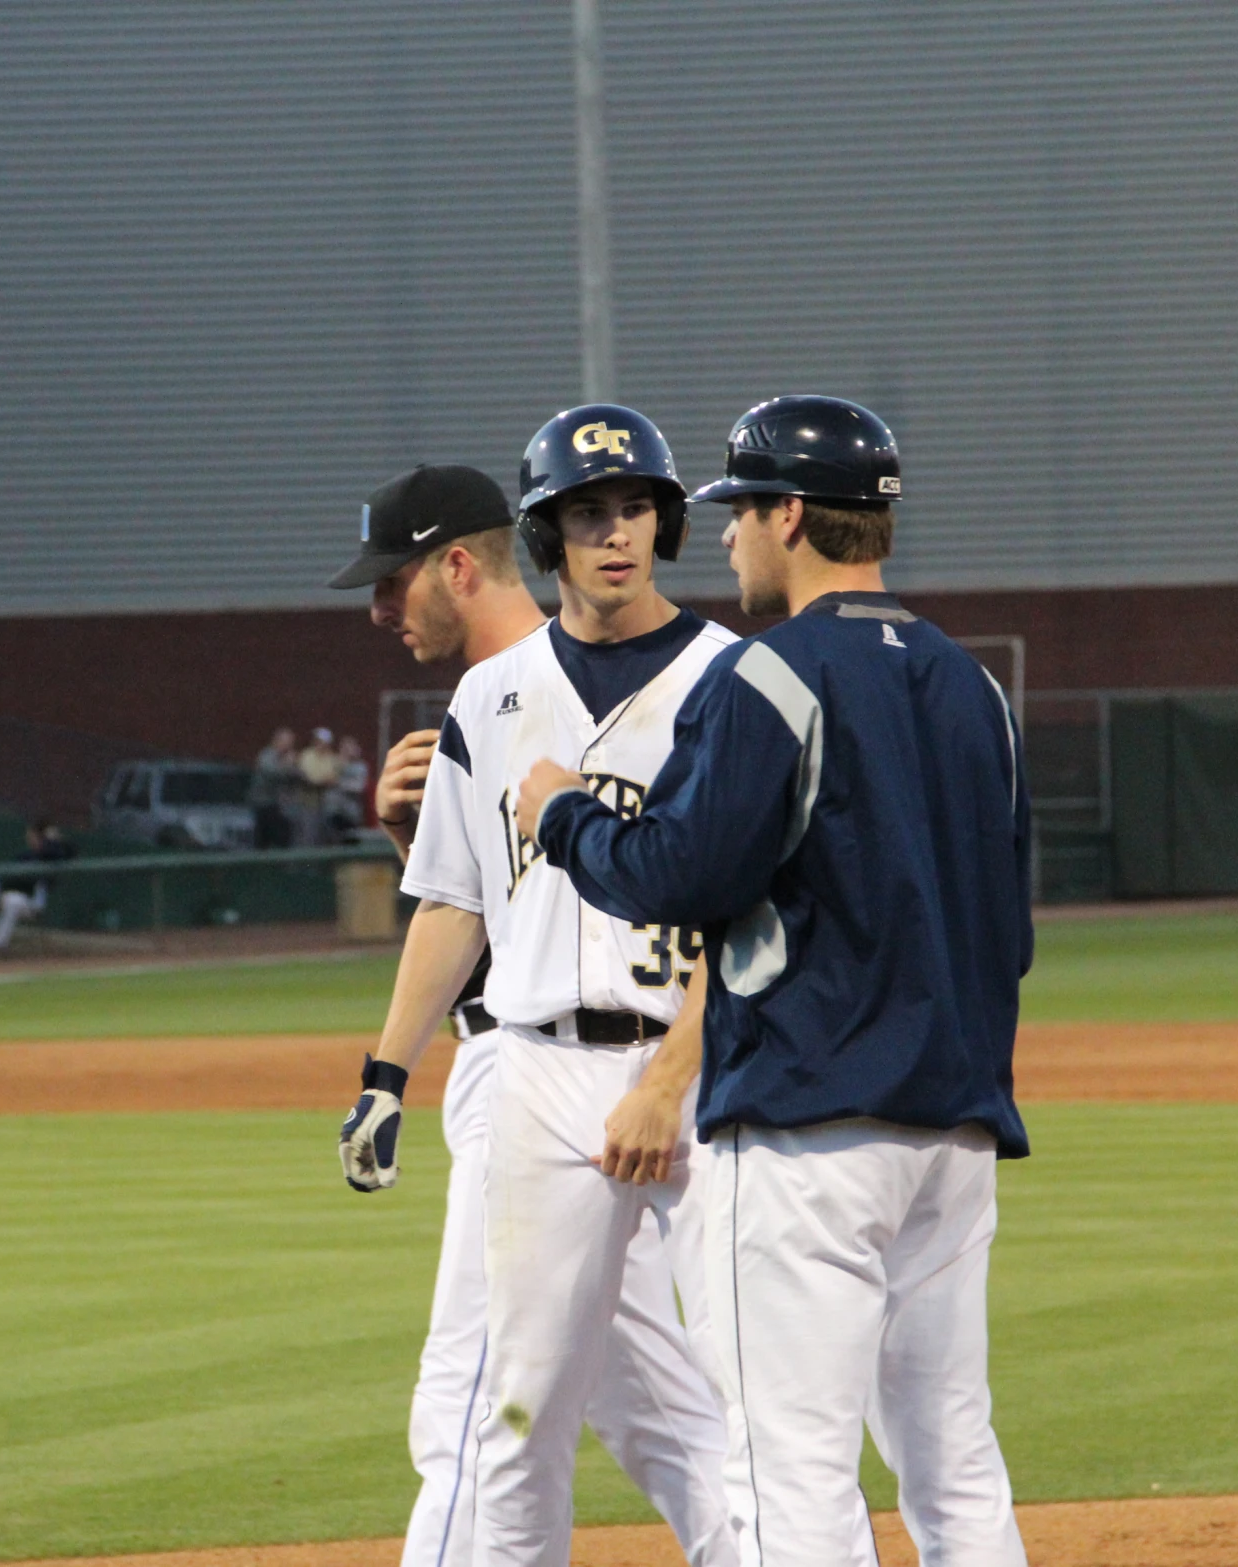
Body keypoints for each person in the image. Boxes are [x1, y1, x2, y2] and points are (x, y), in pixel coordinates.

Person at [516, 396, 1033, 1567]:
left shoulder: (768, 676)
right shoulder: (974, 688)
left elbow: (676, 872)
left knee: (784, 1469)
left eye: (743, 512)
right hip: (951, 1135)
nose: (734, 538)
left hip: (806, 1132)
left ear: (792, 514)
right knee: (954, 1459)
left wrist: (561, 813)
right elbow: (1008, 936)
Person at [337, 415, 750, 1567]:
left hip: (699, 1070)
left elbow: (762, 903)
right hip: (532, 1069)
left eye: (631, 508)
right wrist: (385, 1072)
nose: (613, 533)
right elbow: (455, 897)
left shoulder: (733, 681)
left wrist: (675, 1075)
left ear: (664, 522)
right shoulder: (488, 699)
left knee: (756, 1394)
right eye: (585, 510)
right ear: (547, 533)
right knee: (513, 1413)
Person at [0, 818, 77, 954]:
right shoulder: (25, 856)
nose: (29, 838)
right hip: (3, 895)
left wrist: (51, 839)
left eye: (33, 835)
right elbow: (6, 877)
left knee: (12, 901)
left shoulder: (51, 856)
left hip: (31, 903)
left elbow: (70, 853)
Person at [252, 727, 300, 849]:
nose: (290, 745)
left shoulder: (287, 757)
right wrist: (287, 765)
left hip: (281, 806)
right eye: (287, 742)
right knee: (264, 840)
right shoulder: (267, 755)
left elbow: (298, 774)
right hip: (265, 804)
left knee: (284, 838)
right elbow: (272, 773)